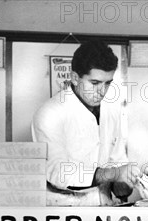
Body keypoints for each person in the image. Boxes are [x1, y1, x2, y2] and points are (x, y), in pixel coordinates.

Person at [31, 40, 140, 201]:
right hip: (66, 213)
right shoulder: (50, 113)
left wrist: (125, 182)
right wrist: (114, 174)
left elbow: (117, 162)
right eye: (94, 83)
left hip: (103, 211)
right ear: (75, 78)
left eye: (107, 83)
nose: (102, 91)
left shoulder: (111, 110)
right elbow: (58, 173)